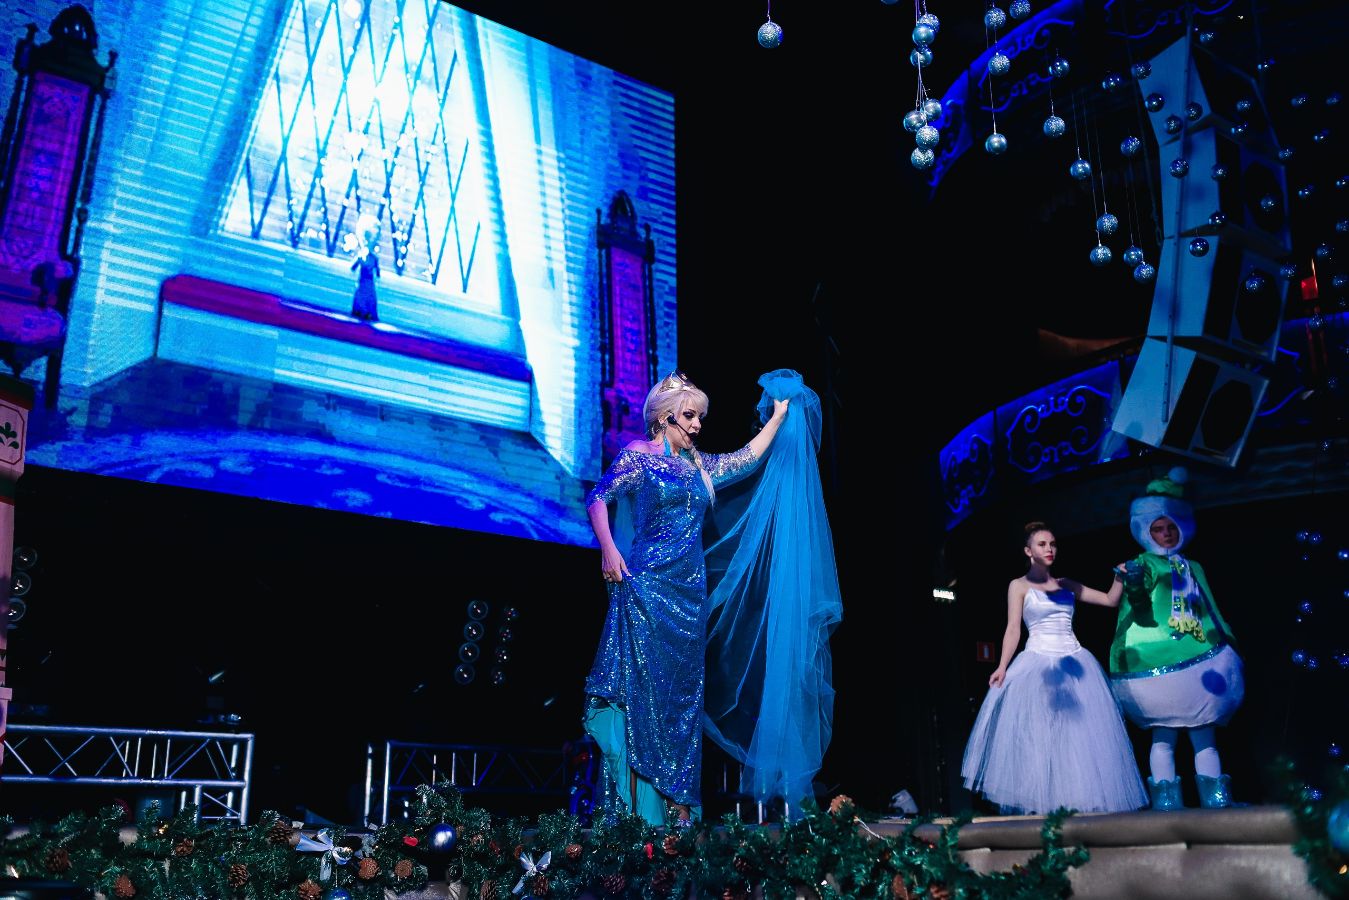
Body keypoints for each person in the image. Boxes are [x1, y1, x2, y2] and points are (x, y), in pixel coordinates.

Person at [582, 370, 789, 824]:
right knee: (643, 698)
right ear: (665, 417)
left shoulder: (699, 466)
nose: (697, 425)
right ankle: (638, 816)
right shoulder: (640, 456)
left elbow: (746, 458)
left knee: (680, 702)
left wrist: (776, 419)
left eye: (699, 418)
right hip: (647, 592)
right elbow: (598, 498)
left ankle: (676, 814)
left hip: (689, 601)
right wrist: (609, 549)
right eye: (690, 416)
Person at [961, 522, 1148, 815]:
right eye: (1042, 544)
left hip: (1074, 663)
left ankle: (1078, 803)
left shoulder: (1067, 584)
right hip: (1038, 663)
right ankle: (1045, 809)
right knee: (1042, 735)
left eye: (1052, 544)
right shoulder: (1019, 586)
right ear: (1028, 551)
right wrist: (1002, 666)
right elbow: (1013, 629)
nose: (1049, 549)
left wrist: (1119, 576)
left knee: (1079, 736)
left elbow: (1110, 600)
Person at [1109, 467, 1243, 810]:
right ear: (1145, 531)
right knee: (1164, 735)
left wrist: (1226, 638)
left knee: (1204, 733)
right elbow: (1138, 605)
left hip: (1201, 655)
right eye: (1158, 528)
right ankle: (1167, 805)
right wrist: (1133, 583)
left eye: (1171, 527)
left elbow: (1209, 605)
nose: (1166, 534)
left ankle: (1216, 801)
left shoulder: (1192, 566)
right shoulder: (1144, 564)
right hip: (1159, 659)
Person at [350, 213, 380, 322]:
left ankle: (365, 312)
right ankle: (363, 312)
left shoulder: (373, 258)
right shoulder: (369, 258)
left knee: (366, 297)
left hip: (366, 283)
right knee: (364, 297)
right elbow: (353, 268)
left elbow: (377, 273)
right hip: (364, 282)